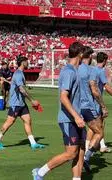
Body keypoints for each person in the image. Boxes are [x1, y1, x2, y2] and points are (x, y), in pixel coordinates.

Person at [32, 42, 85, 180]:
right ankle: (40, 172)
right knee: (71, 153)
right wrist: (76, 117)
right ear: (80, 54)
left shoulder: (75, 71)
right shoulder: (68, 72)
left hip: (77, 118)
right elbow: (63, 97)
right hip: (68, 119)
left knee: (80, 152)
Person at [0, 56, 45, 150]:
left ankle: (33, 143)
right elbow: (21, 89)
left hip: (21, 103)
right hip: (15, 103)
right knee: (9, 122)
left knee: (27, 120)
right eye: (27, 62)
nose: (28, 63)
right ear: (23, 62)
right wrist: (32, 100)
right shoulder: (19, 74)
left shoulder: (18, 73)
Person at [85, 52, 112, 153]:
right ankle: (86, 149)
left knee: (101, 123)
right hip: (95, 102)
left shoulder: (92, 69)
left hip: (89, 100)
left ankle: (102, 145)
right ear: (105, 60)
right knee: (94, 126)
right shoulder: (101, 71)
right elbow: (107, 86)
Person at [78, 47, 108, 172]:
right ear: (90, 56)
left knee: (80, 136)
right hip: (88, 107)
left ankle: (79, 163)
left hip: (75, 108)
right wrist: (103, 106)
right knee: (99, 132)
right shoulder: (92, 70)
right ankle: (86, 158)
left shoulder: (75, 69)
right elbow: (95, 91)